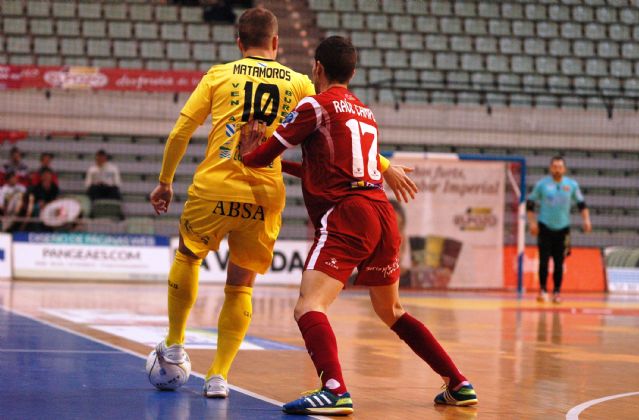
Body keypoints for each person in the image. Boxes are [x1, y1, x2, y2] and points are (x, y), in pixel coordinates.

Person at [240, 36, 477, 415]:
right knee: (392, 311)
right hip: (381, 213)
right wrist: (277, 164)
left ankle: (334, 389)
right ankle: (458, 382)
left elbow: (261, 156)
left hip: (347, 214)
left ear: (317, 68)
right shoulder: (365, 112)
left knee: (308, 306)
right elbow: (323, 171)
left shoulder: (314, 106)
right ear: (352, 72)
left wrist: (248, 152)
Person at [147, 7, 317, 399]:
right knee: (240, 287)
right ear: (276, 43)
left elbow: (180, 132)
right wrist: (383, 165)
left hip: (215, 187)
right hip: (264, 196)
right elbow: (334, 133)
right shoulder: (300, 83)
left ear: (239, 43)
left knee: (189, 256)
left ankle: (174, 344)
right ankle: (219, 377)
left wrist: (165, 182)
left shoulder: (220, 75)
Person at [527, 156, 591, 304]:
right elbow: (530, 204)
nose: (557, 169)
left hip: (563, 229)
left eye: (560, 167)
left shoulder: (572, 185)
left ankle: (557, 292)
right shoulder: (542, 185)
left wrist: (586, 220)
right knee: (543, 261)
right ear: (550, 168)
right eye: (555, 166)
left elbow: (582, 204)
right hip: (545, 228)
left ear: (564, 169)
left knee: (559, 262)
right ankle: (542, 290)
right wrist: (532, 223)